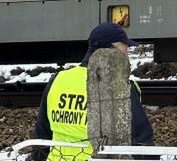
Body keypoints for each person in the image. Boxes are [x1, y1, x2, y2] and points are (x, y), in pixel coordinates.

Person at [32, 22, 155, 161]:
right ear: (110, 51)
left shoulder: (57, 80)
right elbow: (142, 141)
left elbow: (41, 136)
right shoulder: (119, 87)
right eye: (124, 51)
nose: (127, 58)